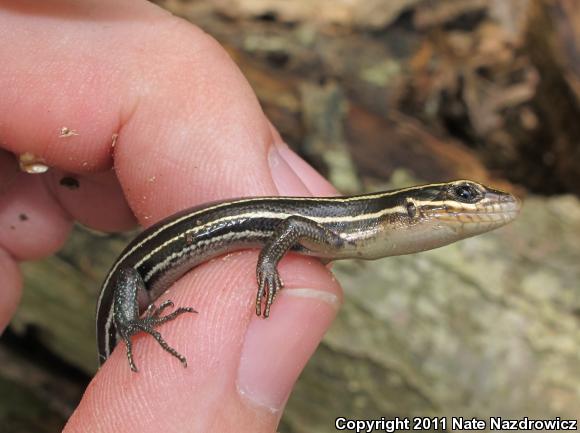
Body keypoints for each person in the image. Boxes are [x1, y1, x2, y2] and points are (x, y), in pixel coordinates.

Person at [0, 1, 343, 431]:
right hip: (135, 280)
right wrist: (130, 323)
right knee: (131, 321)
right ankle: (128, 326)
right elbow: (130, 278)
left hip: (151, 267)